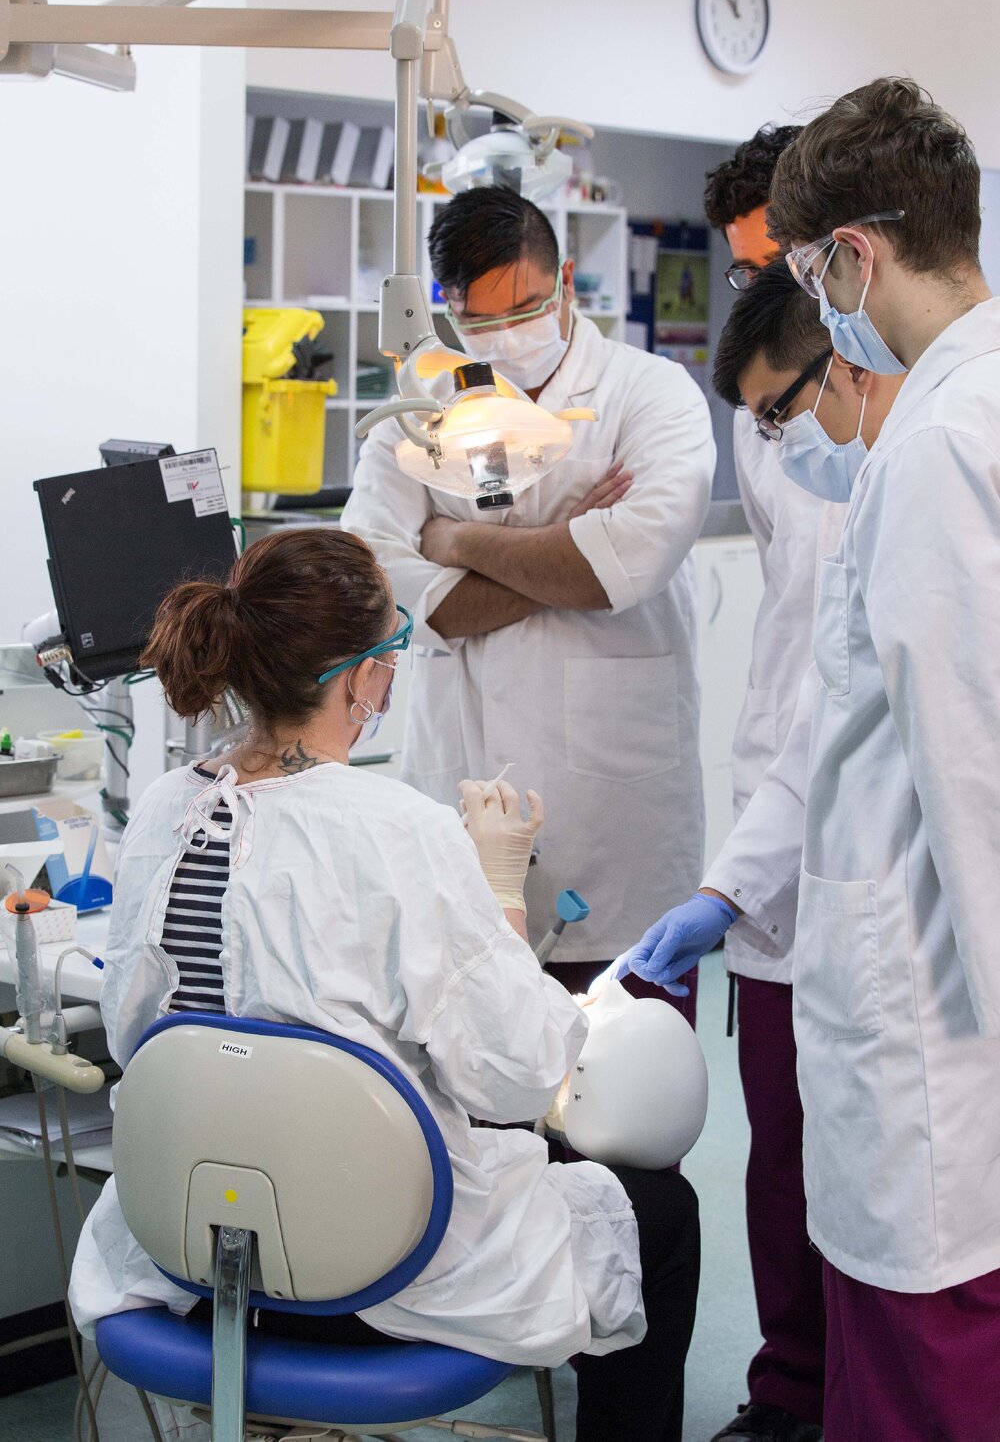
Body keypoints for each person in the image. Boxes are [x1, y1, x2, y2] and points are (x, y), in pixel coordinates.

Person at [68, 529, 701, 1442]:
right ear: (364, 677)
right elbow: (519, 1079)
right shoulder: (398, 827)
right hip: (373, 1269)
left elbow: (138, 1036)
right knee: (659, 1212)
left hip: (187, 1253)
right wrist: (496, 893)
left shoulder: (166, 809)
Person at [627, 77, 1000, 1441]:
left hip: (935, 1073)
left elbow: (979, 795)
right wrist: (728, 894)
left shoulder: (945, 450)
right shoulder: (954, 425)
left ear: (853, 256)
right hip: (908, 1040)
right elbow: (844, 729)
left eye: (802, 270)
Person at [341, 186, 715, 1005]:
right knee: (477, 1096)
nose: (509, 334)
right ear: (446, 308)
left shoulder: (652, 396)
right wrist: (565, 546)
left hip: (617, 820)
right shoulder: (416, 416)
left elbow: (618, 569)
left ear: (568, 281)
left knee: (627, 1096)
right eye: (482, 319)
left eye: (528, 306)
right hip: (463, 790)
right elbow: (379, 583)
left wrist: (458, 541)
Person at [701, 126, 837, 1442]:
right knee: (782, 1153)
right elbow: (800, 647)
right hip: (781, 818)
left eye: (778, 262)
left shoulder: (922, 414)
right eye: (742, 269)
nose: (761, 286)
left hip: (871, 848)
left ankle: (853, 1392)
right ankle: (789, 1388)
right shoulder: (768, 412)